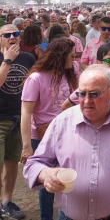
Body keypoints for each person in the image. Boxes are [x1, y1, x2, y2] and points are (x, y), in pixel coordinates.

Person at [23, 65, 110, 220]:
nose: (86, 101)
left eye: (94, 94)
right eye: (81, 93)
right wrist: (46, 174)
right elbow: (33, 165)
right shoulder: (62, 122)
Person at [20, 38, 78, 220]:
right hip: (42, 136)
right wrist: (26, 146)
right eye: (71, 56)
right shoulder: (36, 78)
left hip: (67, 132)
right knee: (48, 180)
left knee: (66, 175)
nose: (74, 59)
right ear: (60, 56)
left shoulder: (70, 73)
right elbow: (26, 113)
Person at [0, 24, 35, 219]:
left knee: (12, 164)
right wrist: (7, 61)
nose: (12, 37)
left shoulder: (28, 58)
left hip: (18, 118)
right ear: (0, 38)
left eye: (15, 34)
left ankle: (6, 202)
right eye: (7, 35)